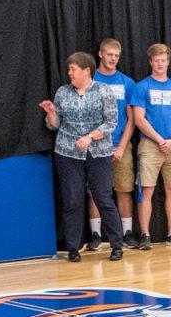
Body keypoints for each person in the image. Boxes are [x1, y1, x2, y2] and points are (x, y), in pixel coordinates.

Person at [39, 52, 124, 262]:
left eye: (73, 69)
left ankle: (116, 245)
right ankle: (73, 248)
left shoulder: (104, 91)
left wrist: (90, 137)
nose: (69, 73)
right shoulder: (62, 92)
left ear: (86, 70)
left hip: (99, 152)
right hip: (68, 153)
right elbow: (55, 124)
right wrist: (51, 112)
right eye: (68, 69)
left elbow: (111, 123)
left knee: (103, 198)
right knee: (72, 201)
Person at [129, 43, 171, 251]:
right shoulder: (142, 87)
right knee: (147, 190)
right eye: (156, 60)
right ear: (151, 62)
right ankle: (145, 235)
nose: (160, 63)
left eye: (163, 60)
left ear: (168, 61)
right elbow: (139, 119)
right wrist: (159, 139)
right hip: (150, 145)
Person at [91, 38, 139, 249]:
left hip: (121, 145)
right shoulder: (91, 79)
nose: (113, 59)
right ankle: (95, 235)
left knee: (123, 189)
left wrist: (121, 147)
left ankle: (127, 233)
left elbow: (131, 119)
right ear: (100, 54)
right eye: (109, 54)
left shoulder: (127, 83)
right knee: (96, 191)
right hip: (96, 145)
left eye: (116, 56)